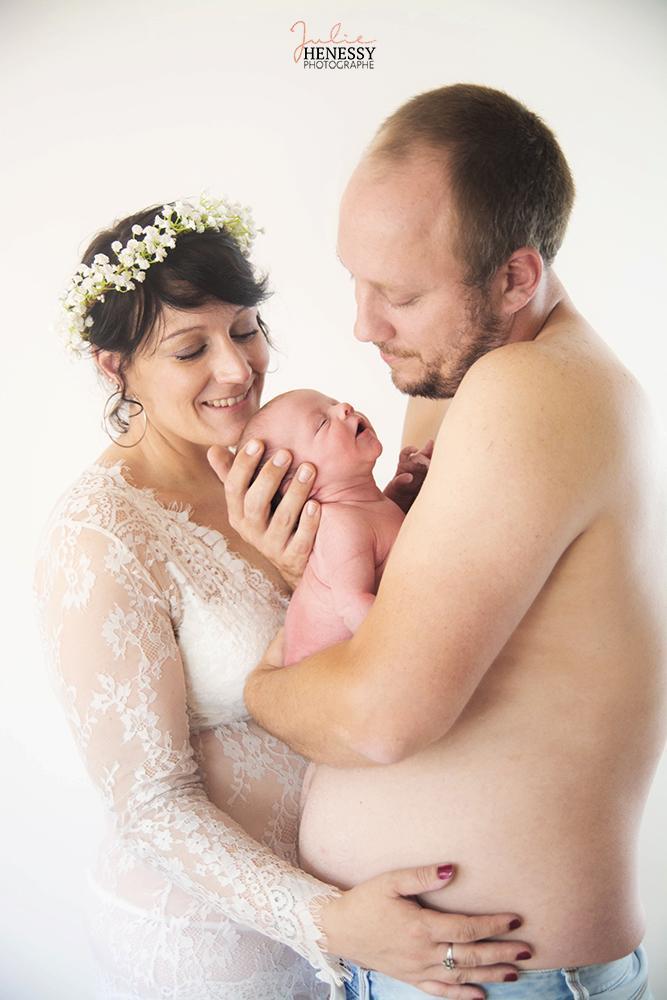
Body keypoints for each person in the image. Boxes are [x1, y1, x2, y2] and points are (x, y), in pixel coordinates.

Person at [211, 85, 666, 999]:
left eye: (401, 294)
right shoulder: (464, 380)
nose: (362, 324)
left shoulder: (528, 386)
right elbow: (414, 622)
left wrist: (260, 688)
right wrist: (310, 563)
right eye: (355, 280)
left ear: (515, 277)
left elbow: (382, 717)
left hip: (506, 977)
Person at [34, 195, 531, 1000]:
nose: (236, 370)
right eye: (190, 349)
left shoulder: (284, 455)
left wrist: (398, 508)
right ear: (112, 365)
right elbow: (151, 807)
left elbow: (349, 628)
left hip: (366, 921)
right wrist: (330, 919)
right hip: (219, 946)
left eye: (244, 329)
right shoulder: (99, 537)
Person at [238, 388, 408, 663]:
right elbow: (353, 603)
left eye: (334, 402)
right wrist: (410, 652)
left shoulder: (363, 508)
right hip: (328, 672)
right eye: (322, 423)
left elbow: (384, 544)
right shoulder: (339, 526)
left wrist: (404, 493)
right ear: (297, 482)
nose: (344, 407)